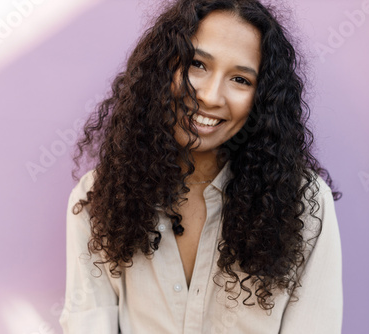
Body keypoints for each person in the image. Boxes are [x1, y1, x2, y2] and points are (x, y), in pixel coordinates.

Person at [59, 0, 343, 333]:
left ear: (262, 99)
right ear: (162, 68)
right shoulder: (99, 197)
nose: (210, 96)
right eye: (197, 64)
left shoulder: (304, 205)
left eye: (240, 79)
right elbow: (89, 322)